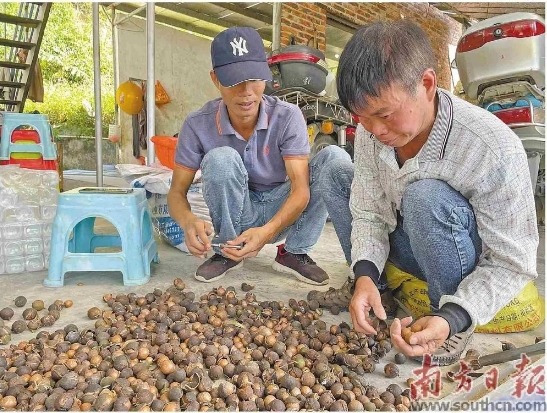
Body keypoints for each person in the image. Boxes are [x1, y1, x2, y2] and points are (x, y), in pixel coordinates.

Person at [318, 20, 539, 365]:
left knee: (425, 197)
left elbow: (512, 262)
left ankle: (445, 319)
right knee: (333, 169)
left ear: (426, 84)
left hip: (460, 257)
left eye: (384, 114)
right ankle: (378, 293)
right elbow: (368, 211)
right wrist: (364, 275)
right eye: (362, 117)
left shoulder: (492, 148)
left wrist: (454, 316)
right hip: (409, 243)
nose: (375, 130)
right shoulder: (372, 132)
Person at [168, 27, 345, 285]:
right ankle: (228, 251)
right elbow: (176, 192)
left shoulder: (287, 116)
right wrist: (188, 221)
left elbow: (300, 190)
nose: (246, 91)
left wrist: (266, 234)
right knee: (220, 159)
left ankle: (294, 252)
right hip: (241, 211)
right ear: (215, 79)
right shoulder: (197, 124)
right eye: (234, 80)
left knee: (334, 159)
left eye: (254, 78)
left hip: (280, 207)